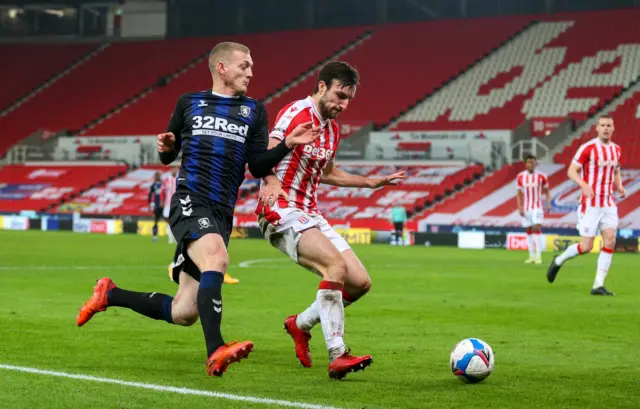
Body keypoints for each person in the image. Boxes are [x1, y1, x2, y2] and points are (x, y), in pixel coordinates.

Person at [76, 41, 320, 377]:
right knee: (217, 259)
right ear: (222, 68)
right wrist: (165, 148)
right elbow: (169, 152)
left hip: (221, 210)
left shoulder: (254, 110)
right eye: (244, 65)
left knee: (184, 311)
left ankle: (111, 294)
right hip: (191, 198)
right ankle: (215, 349)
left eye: (251, 66)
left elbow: (257, 162)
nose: (250, 72)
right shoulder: (189, 103)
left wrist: (288, 145)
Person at [256, 61, 405, 379]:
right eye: (339, 95)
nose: (343, 104)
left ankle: (300, 324)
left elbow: (327, 173)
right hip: (280, 210)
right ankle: (338, 355)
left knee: (360, 283)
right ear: (321, 86)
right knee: (335, 268)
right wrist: (269, 178)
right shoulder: (296, 112)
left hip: (310, 212)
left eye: (348, 99)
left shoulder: (332, 130)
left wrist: (369, 183)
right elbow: (264, 152)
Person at [547, 116, 626, 295]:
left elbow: (616, 169)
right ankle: (559, 260)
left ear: (613, 129)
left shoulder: (616, 149)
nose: (606, 128)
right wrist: (584, 185)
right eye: (603, 125)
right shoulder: (588, 148)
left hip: (608, 202)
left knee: (610, 240)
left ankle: (598, 285)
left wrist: (619, 185)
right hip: (590, 204)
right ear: (597, 128)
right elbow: (571, 171)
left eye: (609, 126)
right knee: (587, 246)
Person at [516, 155, 550, 264]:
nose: (531, 164)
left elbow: (547, 191)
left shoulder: (541, 176)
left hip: (537, 207)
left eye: (533, 162)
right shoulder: (521, 176)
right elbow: (519, 193)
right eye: (529, 162)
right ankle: (531, 256)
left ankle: (538, 256)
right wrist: (520, 206)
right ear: (525, 164)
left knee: (536, 229)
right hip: (526, 208)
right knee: (528, 232)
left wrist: (548, 203)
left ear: (536, 163)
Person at [162, 167, 178, 244]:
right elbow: (162, 192)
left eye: (175, 170)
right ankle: (170, 238)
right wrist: (162, 201)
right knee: (168, 221)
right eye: (173, 170)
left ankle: (175, 238)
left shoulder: (179, 180)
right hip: (167, 204)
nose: (174, 171)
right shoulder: (166, 180)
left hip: (177, 204)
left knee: (176, 221)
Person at [148, 171, 163, 242]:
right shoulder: (153, 185)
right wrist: (149, 204)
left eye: (158, 175)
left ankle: (172, 236)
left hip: (165, 206)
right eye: (156, 176)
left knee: (169, 220)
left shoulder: (164, 184)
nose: (157, 177)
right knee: (156, 221)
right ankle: (154, 236)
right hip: (157, 206)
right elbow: (150, 195)